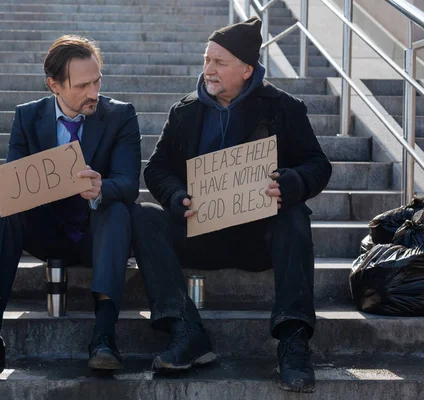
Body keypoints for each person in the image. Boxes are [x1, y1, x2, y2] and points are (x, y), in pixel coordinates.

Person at [131, 17, 332, 393]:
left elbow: (318, 165)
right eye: (206, 59)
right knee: (142, 217)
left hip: (259, 237)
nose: (208, 69)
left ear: (247, 69)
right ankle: (186, 330)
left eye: (219, 63)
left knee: (295, 214)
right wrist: (176, 197)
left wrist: (293, 182)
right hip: (200, 230)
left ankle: (293, 342)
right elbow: (156, 169)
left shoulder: (283, 108)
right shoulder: (185, 111)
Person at [0, 35, 141, 371]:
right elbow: (14, 182)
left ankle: (105, 336)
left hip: (99, 232)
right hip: (48, 230)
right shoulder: (27, 117)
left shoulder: (120, 115)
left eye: (97, 81)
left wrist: (101, 187)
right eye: (82, 85)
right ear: (54, 85)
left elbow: (128, 183)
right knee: (4, 208)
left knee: (118, 208)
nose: (93, 92)